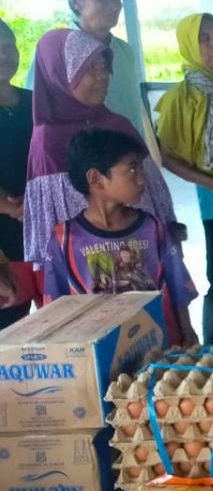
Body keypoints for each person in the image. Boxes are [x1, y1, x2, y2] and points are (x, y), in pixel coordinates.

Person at [24, 29, 177, 271]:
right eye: (89, 69)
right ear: (59, 75)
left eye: (104, 66)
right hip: (88, 269)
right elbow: (53, 226)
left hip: (146, 254)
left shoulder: (118, 125)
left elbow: (154, 196)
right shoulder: (48, 139)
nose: (102, 76)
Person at [42, 128, 197, 346]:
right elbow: (55, 308)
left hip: (160, 346)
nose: (143, 179)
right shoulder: (64, 239)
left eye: (141, 169)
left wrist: (187, 331)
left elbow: (178, 287)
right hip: (101, 357)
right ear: (96, 179)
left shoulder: (154, 229)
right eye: (132, 170)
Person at [155, 14, 213, 346]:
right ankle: (212, 349)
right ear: (189, 44)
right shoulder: (181, 97)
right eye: (205, 38)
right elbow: (165, 155)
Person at [29, 0, 146, 139]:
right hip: (85, 155)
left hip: (128, 152)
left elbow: (134, 110)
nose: (114, 6)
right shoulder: (59, 54)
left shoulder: (124, 51)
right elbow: (41, 107)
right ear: (76, 2)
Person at [0, 20, 36, 327]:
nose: (4, 55)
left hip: (39, 225)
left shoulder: (34, 102)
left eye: (9, 45)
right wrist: (11, 206)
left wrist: (35, 202)